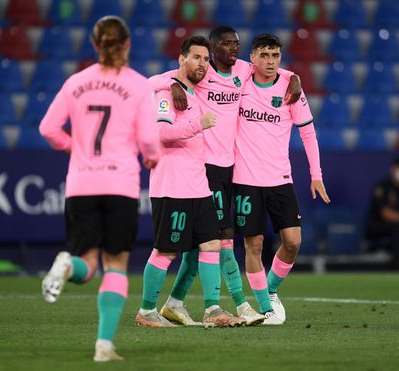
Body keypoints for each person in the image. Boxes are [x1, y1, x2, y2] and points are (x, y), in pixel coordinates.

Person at [150, 25, 302, 327]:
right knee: (221, 239)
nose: (233, 48)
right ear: (213, 48)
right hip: (205, 167)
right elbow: (154, 81)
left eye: (236, 44)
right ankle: (246, 305)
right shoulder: (203, 73)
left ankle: (175, 303)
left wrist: (293, 77)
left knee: (200, 247)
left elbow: (274, 69)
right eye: (227, 44)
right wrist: (173, 85)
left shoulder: (243, 70)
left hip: (228, 168)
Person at [39, 16, 160, 362]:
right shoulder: (138, 86)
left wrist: (71, 146)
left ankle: (66, 266)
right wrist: (151, 158)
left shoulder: (76, 82)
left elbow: (48, 127)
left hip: (82, 183)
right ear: (127, 45)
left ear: (94, 45)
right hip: (119, 183)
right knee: (115, 265)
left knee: (87, 265)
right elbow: (150, 140)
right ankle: (104, 346)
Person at [135, 35, 246, 329]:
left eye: (206, 59)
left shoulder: (194, 94)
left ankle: (213, 310)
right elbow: (161, 133)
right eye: (196, 57)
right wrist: (198, 123)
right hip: (172, 186)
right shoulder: (168, 94)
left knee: (211, 244)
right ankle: (146, 311)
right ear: (181, 59)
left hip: (198, 186)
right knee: (166, 251)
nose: (202, 63)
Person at [233, 33, 331, 324]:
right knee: (254, 244)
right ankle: (265, 308)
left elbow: (308, 132)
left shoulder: (290, 87)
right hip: (246, 178)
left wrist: (316, 175)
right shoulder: (241, 79)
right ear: (252, 58)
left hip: (280, 178)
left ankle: (271, 291)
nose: (270, 61)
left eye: (275, 56)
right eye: (264, 55)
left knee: (292, 242)